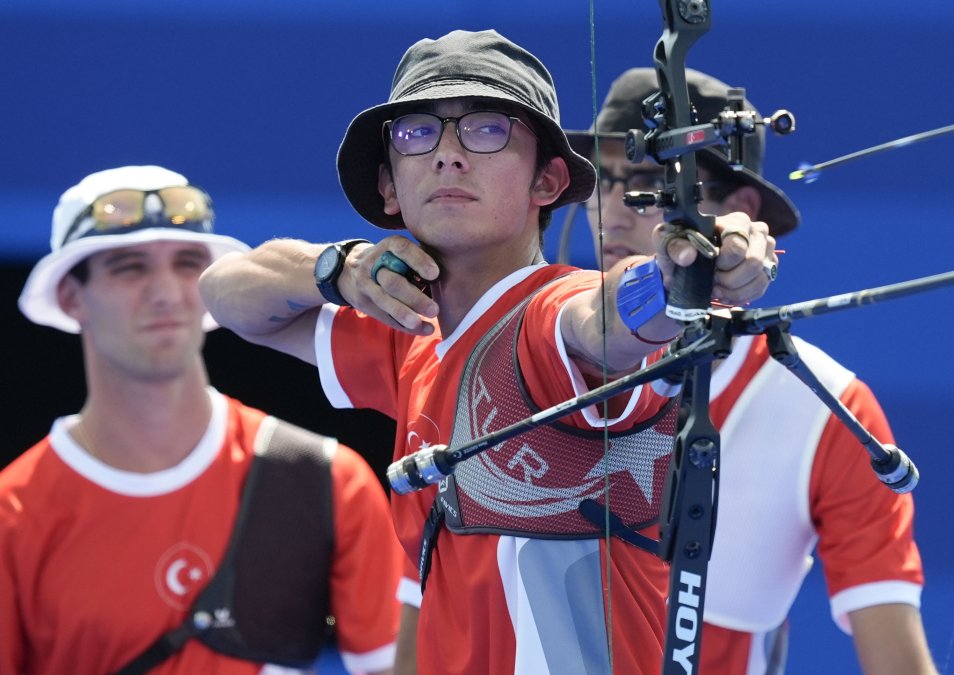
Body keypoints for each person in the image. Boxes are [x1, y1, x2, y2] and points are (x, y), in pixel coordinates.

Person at [198, 30, 776, 675]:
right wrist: (341, 267)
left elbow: (606, 321)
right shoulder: (410, 326)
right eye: (418, 132)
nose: (448, 155)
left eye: (486, 130)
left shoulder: (550, 314)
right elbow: (226, 295)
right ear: (389, 186)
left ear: (548, 180)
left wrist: (681, 274)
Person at [564, 69, 937, 675]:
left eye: (651, 182)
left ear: (738, 213)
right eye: (602, 181)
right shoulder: (528, 343)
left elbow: (897, 658)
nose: (611, 210)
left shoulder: (827, 407)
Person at [1, 165, 402, 675]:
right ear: (70, 298)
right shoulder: (12, 518)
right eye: (129, 267)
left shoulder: (326, 482)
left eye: (188, 264)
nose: (166, 292)